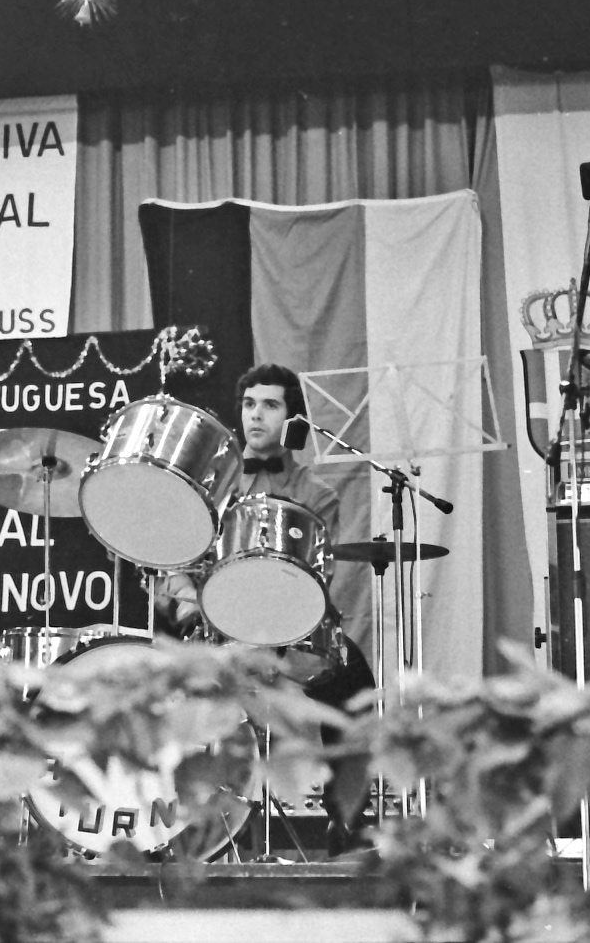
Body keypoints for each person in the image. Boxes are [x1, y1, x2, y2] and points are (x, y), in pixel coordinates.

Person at [155, 363, 375, 855]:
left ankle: (347, 822)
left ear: (293, 419)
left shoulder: (319, 494)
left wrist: (276, 620)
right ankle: (171, 821)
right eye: (250, 404)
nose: (256, 415)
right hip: (212, 629)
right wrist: (191, 604)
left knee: (355, 680)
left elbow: (318, 581)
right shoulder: (212, 484)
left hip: (287, 629)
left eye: (270, 405)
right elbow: (173, 558)